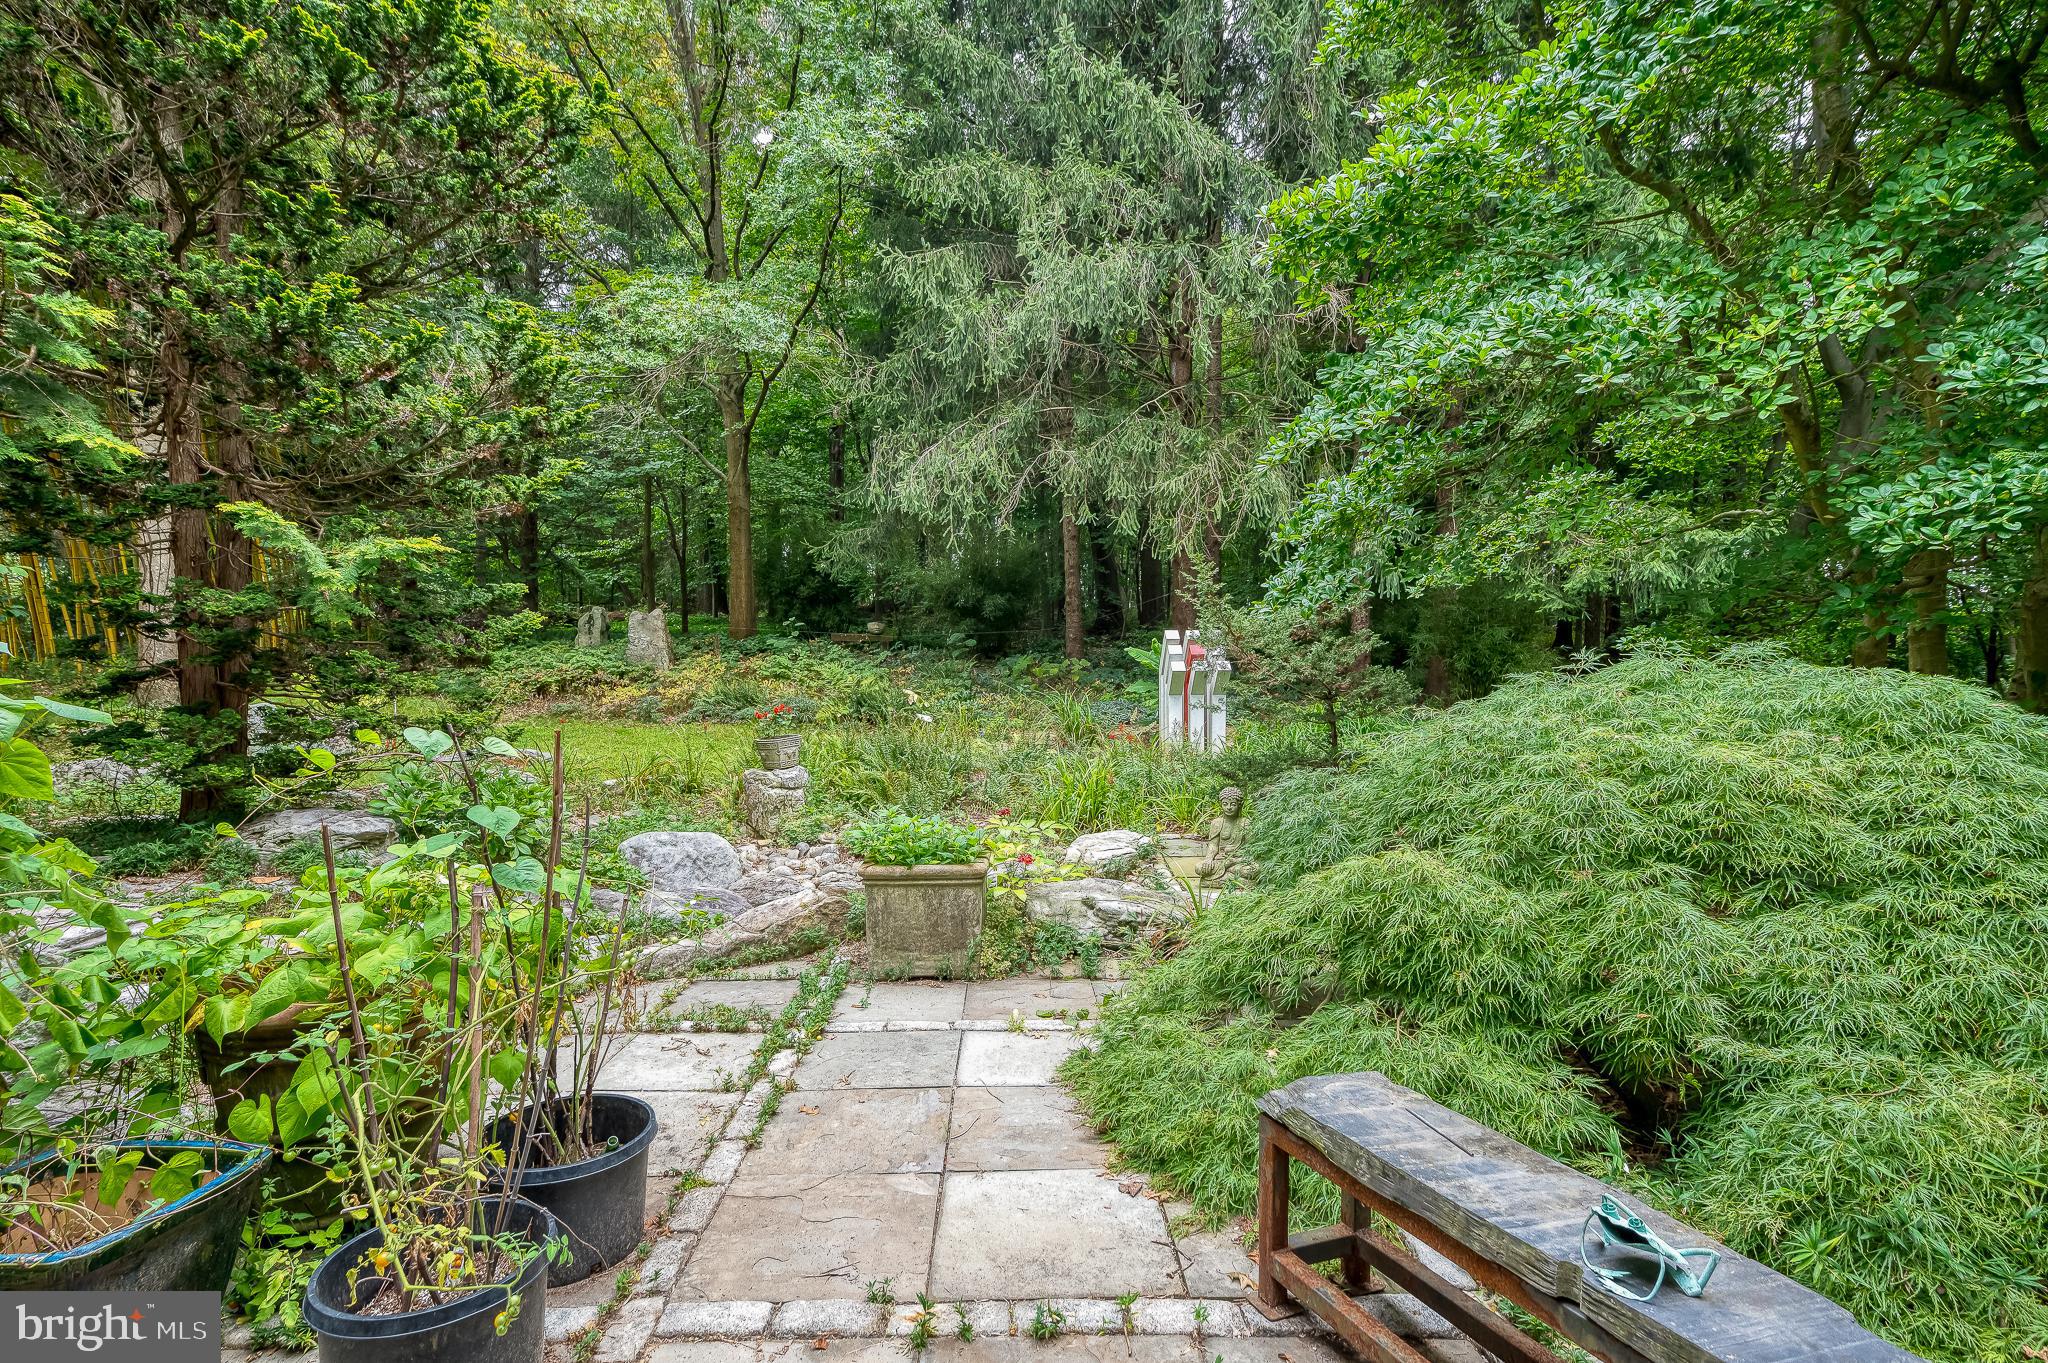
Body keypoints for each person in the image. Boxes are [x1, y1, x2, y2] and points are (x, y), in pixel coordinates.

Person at [1196, 786, 1253, 887]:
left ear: (1240, 805)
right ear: (1221, 804)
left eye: (1233, 804)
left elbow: (1251, 849)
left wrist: (1236, 857)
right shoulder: (1217, 823)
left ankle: (1218, 880)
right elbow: (1213, 845)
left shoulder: (1246, 823)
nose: (1229, 807)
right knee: (1199, 868)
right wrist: (1208, 859)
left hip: (1238, 861)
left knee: (1252, 870)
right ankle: (1236, 880)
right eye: (1225, 804)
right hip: (1220, 861)